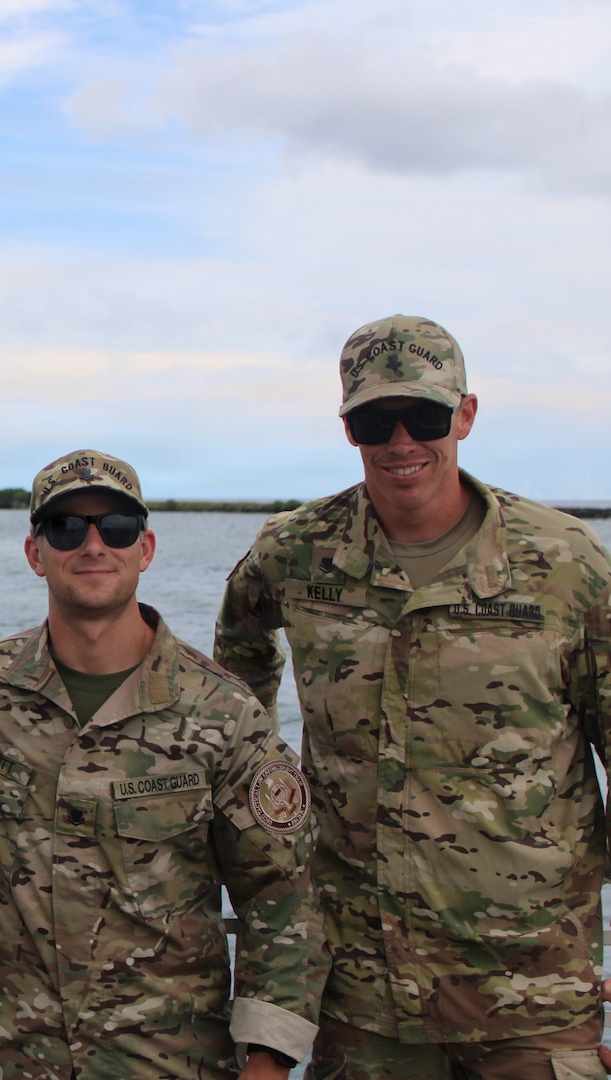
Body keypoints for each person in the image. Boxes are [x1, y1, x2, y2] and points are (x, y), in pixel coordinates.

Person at [0, 449, 324, 1079]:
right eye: (66, 527)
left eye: (115, 528)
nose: (92, 545)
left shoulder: (223, 713)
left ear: (144, 548)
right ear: (35, 552)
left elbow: (285, 901)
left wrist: (266, 1066)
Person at [214, 315, 611, 1079]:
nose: (401, 442)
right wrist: (264, 784)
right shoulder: (296, 552)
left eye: (424, 416)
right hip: (364, 998)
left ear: (464, 415)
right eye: (375, 420)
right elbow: (239, 654)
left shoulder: (565, 565)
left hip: (534, 998)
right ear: (347, 428)